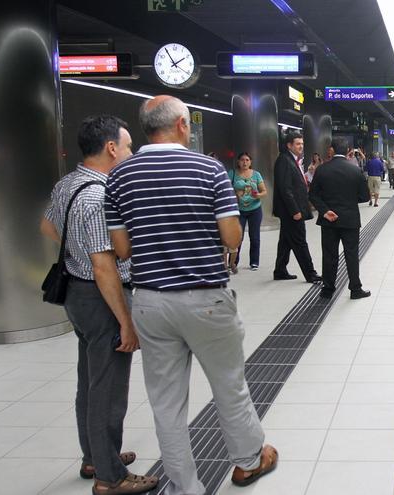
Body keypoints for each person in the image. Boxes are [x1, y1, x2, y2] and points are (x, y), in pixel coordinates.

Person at [104, 96, 276, 494]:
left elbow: (123, 249)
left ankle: (184, 487)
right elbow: (232, 237)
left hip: (150, 301)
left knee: (166, 403)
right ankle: (248, 462)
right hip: (206, 300)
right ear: (183, 124)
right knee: (229, 384)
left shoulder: (120, 177)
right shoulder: (209, 169)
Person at [41, 115, 157, 495]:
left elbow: (47, 228)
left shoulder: (67, 184)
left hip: (76, 294)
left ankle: (95, 456)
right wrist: (125, 321)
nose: (130, 152)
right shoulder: (98, 195)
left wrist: (73, 251)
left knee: (90, 381)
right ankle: (110, 478)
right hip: (101, 296)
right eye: (127, 147)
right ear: (111, 148)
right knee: (108, 389)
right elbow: (104, 266)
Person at [309, 136, 371, 300]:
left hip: (328, 220)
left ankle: (328, 289)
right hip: (350, 219)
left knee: (329, 255)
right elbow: (365, 197)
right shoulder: (355, 170)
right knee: (351, 254)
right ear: (348, 150)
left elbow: (313, 195)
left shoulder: (322, 169)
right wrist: (349, 201)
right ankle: (355, 289)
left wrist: (325, 210)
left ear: (332, 149)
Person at [273, 132, 321, 283]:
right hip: (292, 211)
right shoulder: (284, 160)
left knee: (286, 241)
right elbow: (285, 189)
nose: (301, 146)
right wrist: (295, 211)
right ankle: (310, 274)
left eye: (302, 143)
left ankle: (280, 270)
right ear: (289, 145)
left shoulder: (293, 160)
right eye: (297, 144)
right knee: (300, 241)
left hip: (293, 209)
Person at [229, 152, 267, 272]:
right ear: (238, 162)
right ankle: (233, 262)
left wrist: (258, 195)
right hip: (238, 210)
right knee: (237, 237)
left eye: (247, 160)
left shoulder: (256, 175)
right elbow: (226, 188)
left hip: (255, 210)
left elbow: (264, 191)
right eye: (242, 160)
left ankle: (254, 262)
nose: (244, 162)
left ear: (250, 162)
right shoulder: (233, 173)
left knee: (254, 237)